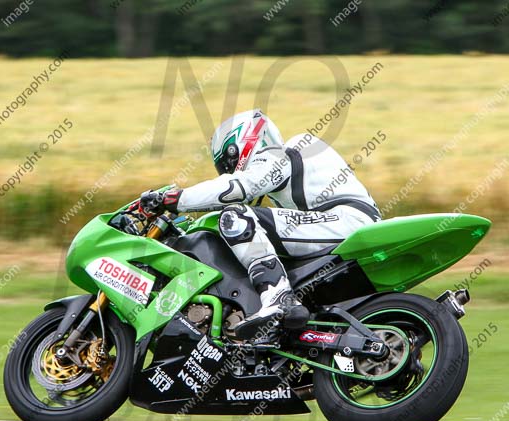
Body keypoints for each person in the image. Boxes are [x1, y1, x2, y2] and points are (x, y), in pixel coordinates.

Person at [138, 109, 380, 339]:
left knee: (234, 217)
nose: (229, 173)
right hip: (339, 222)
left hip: (346, 220)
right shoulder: (289, 163)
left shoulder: (283, 155)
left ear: (240, 145)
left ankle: (279, 298)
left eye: (228, 165)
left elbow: (237, 188)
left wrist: (175, 199)